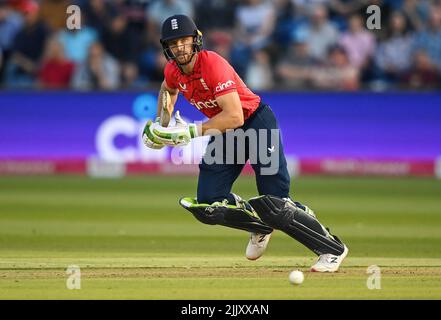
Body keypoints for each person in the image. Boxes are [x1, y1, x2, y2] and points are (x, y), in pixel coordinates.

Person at [142, 15, 348, 272]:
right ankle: (259, 227)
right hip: (226, 132)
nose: (180, 48)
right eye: (174, 43)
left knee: (275, 206)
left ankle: (332, 249)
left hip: (255, 123)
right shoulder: (172, 70)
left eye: (184, 41)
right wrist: (162, 123)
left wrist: (190, 132)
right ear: (167, 48)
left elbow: (235, 115)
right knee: (208, 205)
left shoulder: (213, 65)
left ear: (196, 40)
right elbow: (168, 89)